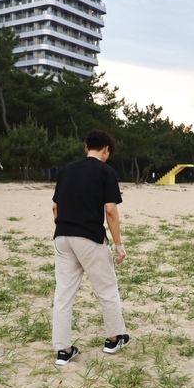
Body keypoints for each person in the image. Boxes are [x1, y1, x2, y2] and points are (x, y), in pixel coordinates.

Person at [51, 129, 129, 366]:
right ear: (106, 149)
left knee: (64, 294)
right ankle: (114, 338)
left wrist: (63, 227)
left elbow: (55, 208)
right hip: (89, 237)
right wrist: (118, 244)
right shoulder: (106, 171)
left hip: (62, 236)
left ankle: (63, 350)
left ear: (86, 147)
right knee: (107, 288)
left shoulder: (67, 169)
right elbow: (111, 211)